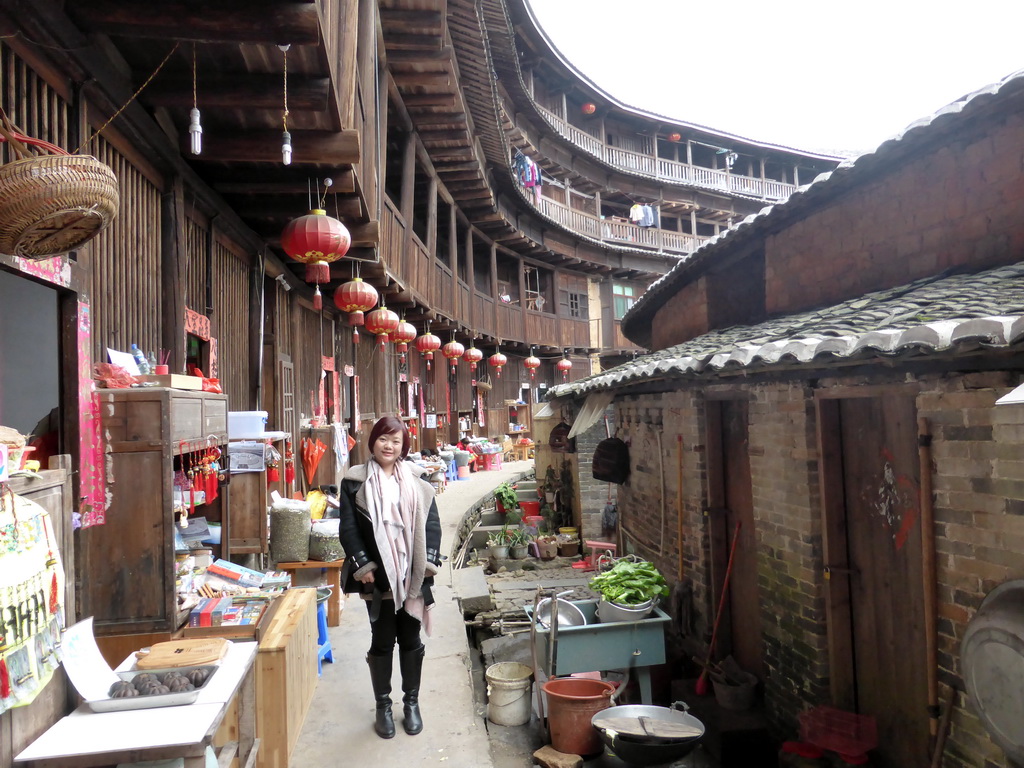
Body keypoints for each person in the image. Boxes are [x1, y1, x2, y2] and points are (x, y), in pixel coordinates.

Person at [338, 416, 442, 739]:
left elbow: (432, 525)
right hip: (378, 579)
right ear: (373, 442)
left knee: (410, 640)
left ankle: (411, 703)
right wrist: (363, 564)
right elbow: (349, 528)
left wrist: (429, 564)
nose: (389, 446)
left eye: (396, 441)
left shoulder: (419, 482)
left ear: (403, 447)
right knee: (382, 641)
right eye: (384, 439)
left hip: (412, 576)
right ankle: (383, 706)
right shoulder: (355, 482)